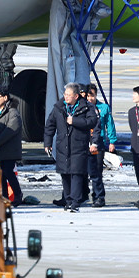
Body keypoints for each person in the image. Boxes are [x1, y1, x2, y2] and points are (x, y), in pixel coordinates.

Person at [43, 82, 98, 212]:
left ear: (76, 96)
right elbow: (50, 125)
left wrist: (75, 121)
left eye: (69, 95)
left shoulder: (87, 107)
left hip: (78, 146)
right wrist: (47, 143)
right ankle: (67, 200)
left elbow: (92, 122)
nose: (66, 97)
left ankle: (75, 202)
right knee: (65, 174)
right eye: (65, 94)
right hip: (63, 146)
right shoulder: (59, 107)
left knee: (76, 174)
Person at [0, 83, 24, 206]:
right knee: (1, 175)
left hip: (9, 149)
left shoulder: (12, 112)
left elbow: (11, 129)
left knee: (8, 172)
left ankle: (18, 195)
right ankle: (4, 197)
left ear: (5, 98)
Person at [85, 83, 116, 207]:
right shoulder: (83, 107)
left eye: (92, 96)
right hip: (84, 143)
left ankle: (99, 196)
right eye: (87, 96)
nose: (89, 99)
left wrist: (112, 141)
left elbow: (110, 125)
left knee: (96, 171)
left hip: (98, 143)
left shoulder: (103, 108)